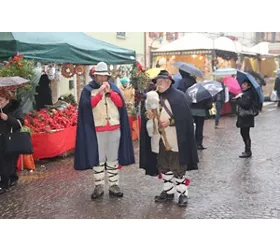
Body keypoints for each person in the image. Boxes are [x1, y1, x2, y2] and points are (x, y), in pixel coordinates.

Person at [74, 62, 135, 199]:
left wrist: (111, 94)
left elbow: (120, 104)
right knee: (99, 158)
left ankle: (114, 185)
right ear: (95, 75)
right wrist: (100, 93)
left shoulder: (114, 88)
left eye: (105, 76)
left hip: (114, 128)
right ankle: (99, 185)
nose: (102, 79)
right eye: (100, 76)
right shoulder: (88, 90)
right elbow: (87, 107)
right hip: (97, 129)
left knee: (113, 158)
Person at [140, 70, 199, 207]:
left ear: (168, 82)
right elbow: (146, 114)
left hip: (175, 138)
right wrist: (147, 115)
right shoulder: (152, 97)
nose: (159, 84)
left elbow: (185, 119)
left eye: (161, 82)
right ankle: (168, 191)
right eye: (157, 82)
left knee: (177, 166)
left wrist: (170, 122)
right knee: (163, 165)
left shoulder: (179, 97)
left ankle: (182, 193)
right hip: (157, 138)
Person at [0, 88, 24, 194]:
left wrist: (7, 118)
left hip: (10, 139)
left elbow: (20, 123)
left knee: (8, 162)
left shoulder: (15, 108)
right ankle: (7, 180)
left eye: (0, 100)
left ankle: (6, 182)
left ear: (7, 99)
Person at [233, 80, 260, 158]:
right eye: (243, 84)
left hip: (246, 117)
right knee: (244, 133)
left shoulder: (249, 94)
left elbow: (246, 105)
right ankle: (247, 150)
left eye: (245, 84)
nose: (243, 85)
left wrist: (238, 99)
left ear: (249, 86)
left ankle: (248, 151)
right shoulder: (245, 93)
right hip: (244, 117)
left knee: (245, 133)